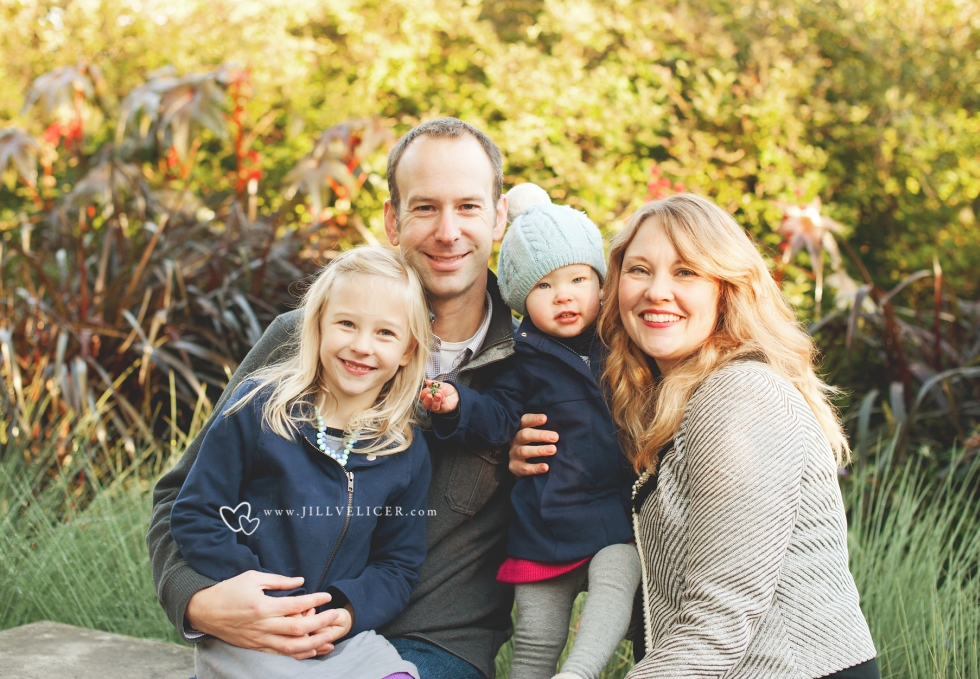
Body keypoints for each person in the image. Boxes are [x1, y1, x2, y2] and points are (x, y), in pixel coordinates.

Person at [147, 118, 518, 679]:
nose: (448, 232)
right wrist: (198, 600)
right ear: (393, 220)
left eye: (468, 207)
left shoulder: (532, 365)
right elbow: (184, 495)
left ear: (499, 217)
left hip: (434, 643)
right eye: (424, 208)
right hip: (282, 621)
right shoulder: (306, 340)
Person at [595, 193, 879, 678]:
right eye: (639, 269)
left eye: (686, 272)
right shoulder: (674, 398)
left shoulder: (741, 397)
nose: (656, 290)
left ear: (727, 288)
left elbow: (718, 619)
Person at [170, 247, 431, 679]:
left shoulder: (402, 449)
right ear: (318, 325)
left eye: (385, 333)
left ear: (408, 350)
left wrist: (348, 611)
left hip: (338, 634)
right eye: (347, 323)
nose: (361, 346)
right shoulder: (258, 408)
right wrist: (257, 595)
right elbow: (196, 513)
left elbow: (398, 564)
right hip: (254, 628)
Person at [420, 184, 639, 679]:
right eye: (543, 286)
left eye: (578, 279)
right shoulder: (521, 361)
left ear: (601, 283)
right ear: (520, 301)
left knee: (619, 575)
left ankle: (579, 672)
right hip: (547, 520)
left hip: (612, 515)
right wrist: (457, 405)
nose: (563, 295)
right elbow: (498, 417)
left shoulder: (624, 344)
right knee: (537, 639)